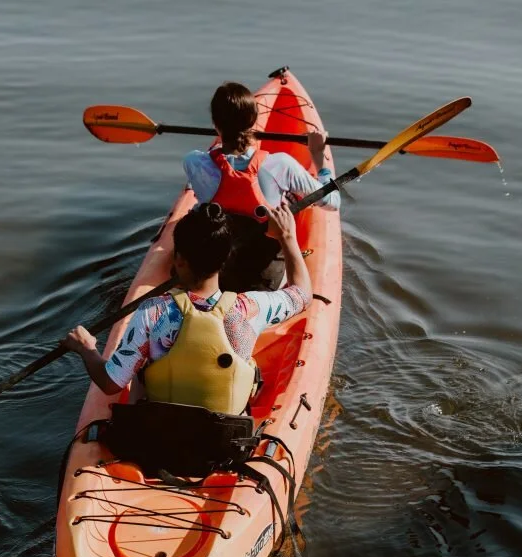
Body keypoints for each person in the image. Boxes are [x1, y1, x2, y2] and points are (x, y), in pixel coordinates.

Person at [62, 202, 310, 415]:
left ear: (179, 260)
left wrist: (87, 349)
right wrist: (287, 237)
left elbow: (109, 384)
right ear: (225, 260)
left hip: (160, 433)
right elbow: (302, 294)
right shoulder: (249, 308)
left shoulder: (153, 312)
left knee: (143, 368)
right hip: (222, 444)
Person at [183, 81, 339, 292]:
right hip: (265, 283)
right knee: (290, 202)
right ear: (254, 122)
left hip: (217, 277)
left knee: (200, 211)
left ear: (215, 124)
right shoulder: (281, 164)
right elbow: (332, 202)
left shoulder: (194, 162)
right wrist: (319, 159)